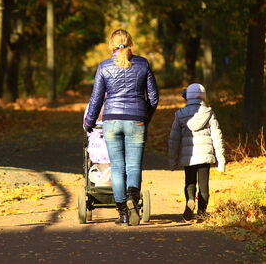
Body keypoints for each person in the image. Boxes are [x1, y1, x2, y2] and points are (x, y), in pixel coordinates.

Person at [83, 29, 159, 226]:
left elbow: (96, 99)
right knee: (134, 166)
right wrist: (145, 117)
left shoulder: (104, 66)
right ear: (130, 43)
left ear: (111, 46)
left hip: (111, 122)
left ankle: (123, 214)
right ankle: (133, 200)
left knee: (117, 167)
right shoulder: (143, 64)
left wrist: (89, 122)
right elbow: (153, 97)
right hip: (136, 120)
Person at [168, 83, 226, 221]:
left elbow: (174, 139)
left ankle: (189, 200)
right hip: (205, 156)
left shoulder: (180, 115)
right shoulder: (209, 113)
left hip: (189, 157)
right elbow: (217, 137)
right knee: (204, 186)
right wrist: (221, 160)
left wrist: (172, 160)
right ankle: (201, 212)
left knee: (190, 182)